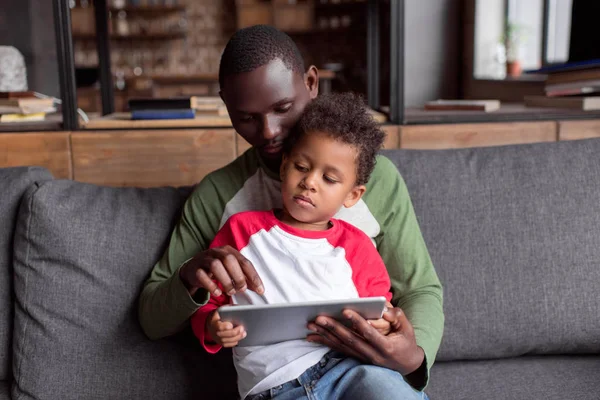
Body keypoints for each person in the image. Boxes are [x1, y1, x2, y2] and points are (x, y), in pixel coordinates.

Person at [138, 24, 443, 396]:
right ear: (226, 104)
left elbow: (420, 288)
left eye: (282, 107)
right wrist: (191, 276)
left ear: (311, 83)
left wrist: (412, 357)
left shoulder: (378, 182)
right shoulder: (218, 196)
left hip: (356, 371)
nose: (267, 131)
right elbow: (153, 318)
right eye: (246, 117)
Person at [191, 92, 407, 399]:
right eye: (302, 167)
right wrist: (214, 327)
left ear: (353, 196)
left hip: (349, 372)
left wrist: (384, 325)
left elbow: (379, 309)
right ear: (283, 168)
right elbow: (208, 303)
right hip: (274, 388)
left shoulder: (356, 246)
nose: (310, 182)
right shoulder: (241, 230)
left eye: (329, 178)